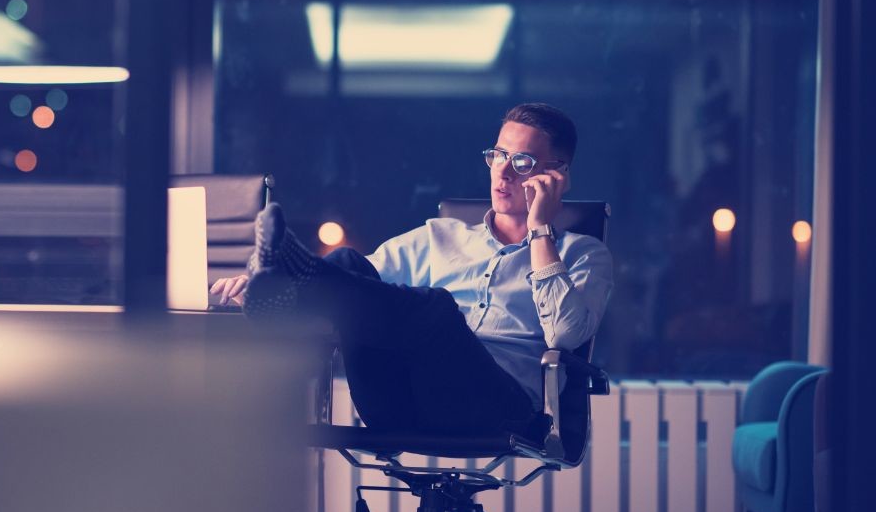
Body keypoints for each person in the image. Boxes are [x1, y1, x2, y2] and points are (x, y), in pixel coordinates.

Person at [211, 103, 612, 439]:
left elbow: (565, 334)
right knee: (350, 265)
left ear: (555, 177)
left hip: (497, 413)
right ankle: (282, 290)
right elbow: (351, 284)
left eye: (521, 162)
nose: (503, 172)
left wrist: (540, 229)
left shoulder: (582, 254)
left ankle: (288, 291)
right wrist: (259, 284)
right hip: (398, 402)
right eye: (498, 155)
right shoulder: (439, 236)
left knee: (437, 309)